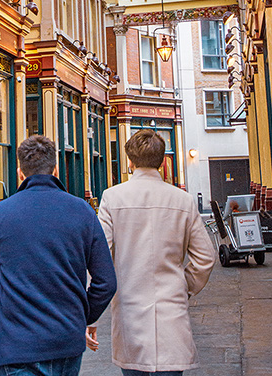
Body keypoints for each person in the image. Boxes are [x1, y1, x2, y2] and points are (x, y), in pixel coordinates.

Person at [0, 134, 117, 376]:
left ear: (20, 172)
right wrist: (80, 317)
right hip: (66, 341)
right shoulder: (82, 212)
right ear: (56, 169)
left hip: (18, 343)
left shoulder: (1, 214)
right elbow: (106, 282)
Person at [97, 129, 216, 376]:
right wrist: (185, 285)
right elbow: (205, 257)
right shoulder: (182, 200)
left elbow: (100, 253)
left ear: (130, 161)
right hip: (171, 308)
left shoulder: (112, 198)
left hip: (129, 309)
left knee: (133, 367)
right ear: (162, 161)